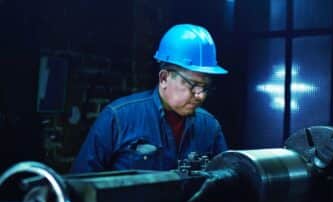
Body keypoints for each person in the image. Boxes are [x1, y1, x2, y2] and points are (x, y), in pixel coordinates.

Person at [70, 24, 228, 173]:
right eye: (192, 85)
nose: (200, 95)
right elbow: (82, 183)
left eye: (205, 87)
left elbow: (224, 185)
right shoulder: (118, 118)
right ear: (164, 78)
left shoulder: (210, 127)